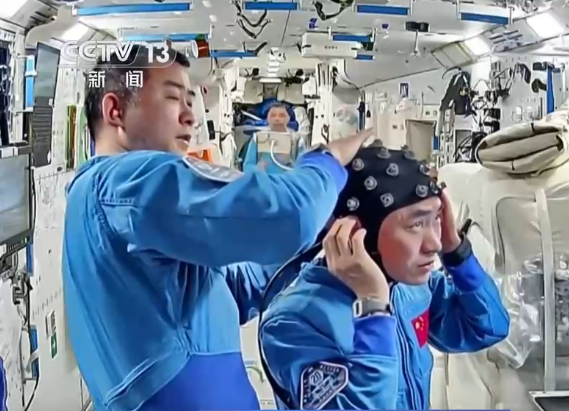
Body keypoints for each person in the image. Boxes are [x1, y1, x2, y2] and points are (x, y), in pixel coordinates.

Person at [62, 45, 372, 411]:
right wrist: (328, 160)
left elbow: (228, 289)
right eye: (172, 98)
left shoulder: (98, 198)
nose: (190, 117)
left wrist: (319, 237)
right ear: (115, 111)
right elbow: (290, 214)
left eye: (190, 101)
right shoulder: (125, 182)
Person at [260, 143, 511, 410]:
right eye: (416, 224)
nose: (434, 244)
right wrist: (372, 308)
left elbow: (488, 328)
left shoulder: (410, 288)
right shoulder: (293, 323)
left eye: (436, 219)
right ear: (357, 232)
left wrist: (456, 253)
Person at [245, 102, 301, 173]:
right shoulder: (258, 138)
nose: (277, 119)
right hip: (263, 178)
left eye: (281, 115)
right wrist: (257, 170)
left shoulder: (296, 140)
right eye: (273, 115)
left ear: (288, 118)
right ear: (268, 118)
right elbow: (248, 165)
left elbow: (303, 167)